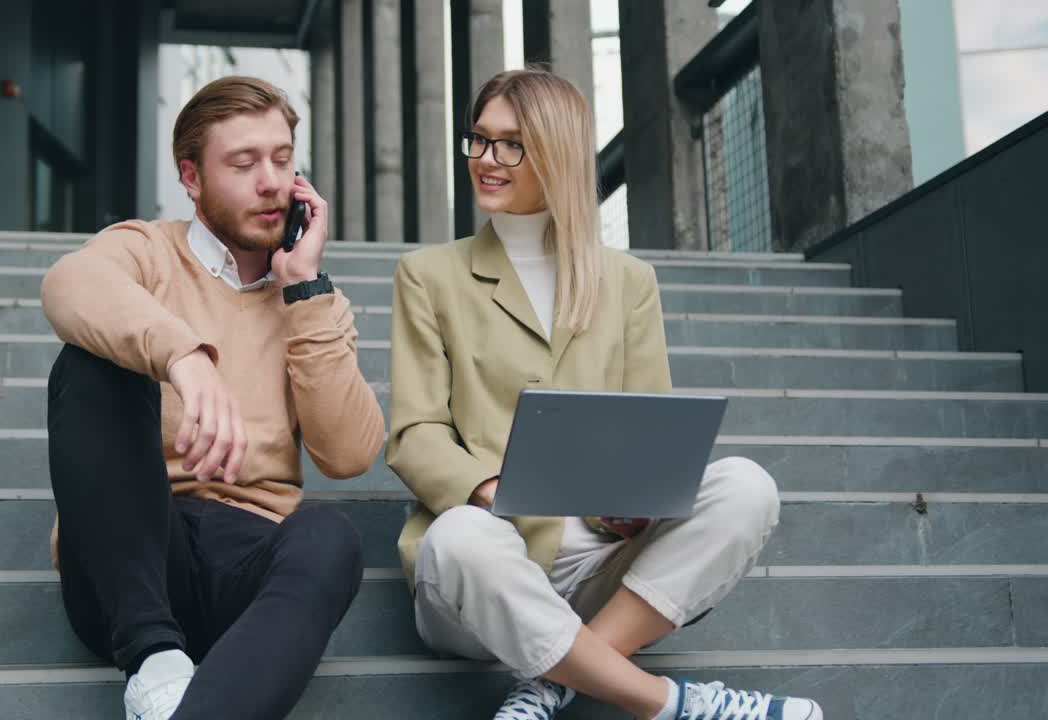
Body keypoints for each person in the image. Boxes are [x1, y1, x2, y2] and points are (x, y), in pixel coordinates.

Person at [386, 68, 824, 720]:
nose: (486, 160)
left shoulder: (627, 281)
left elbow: (651, 428)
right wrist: (493, 491)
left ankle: (554, 679)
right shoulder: (428, 276)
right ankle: (668, 703)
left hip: (600, 568)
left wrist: (637, 504)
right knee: (458, 539)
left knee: (747, 487)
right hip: (484, 575)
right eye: (478, 140)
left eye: (512, 144)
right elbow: (415, 432)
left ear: (555, 151)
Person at [40, 75, 385, 720]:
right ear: (192, 177)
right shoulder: (145, 249)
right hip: (132, 560)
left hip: (247, 568)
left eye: (283, 159)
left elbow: (349, 454)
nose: (271, 182)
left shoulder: (315, 301)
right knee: (89, 364)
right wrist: (183, 356)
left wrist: (304, 290)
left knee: (331, 535)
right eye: (244, 163)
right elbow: (70, 283)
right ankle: (153, 661)